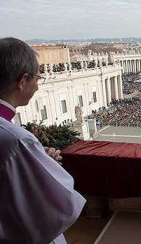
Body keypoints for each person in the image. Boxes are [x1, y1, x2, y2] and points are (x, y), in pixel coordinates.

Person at [0, 37, 86, 244]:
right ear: (22, 81)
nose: (38, 86)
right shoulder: (18, 141)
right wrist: (47, 166)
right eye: (37, 79)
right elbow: (62, 205)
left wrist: (37, 160)